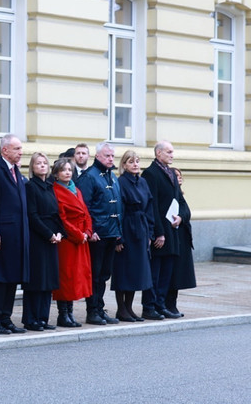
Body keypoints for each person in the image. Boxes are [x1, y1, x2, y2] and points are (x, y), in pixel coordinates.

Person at [0, 134, 29, 334]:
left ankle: (6, 317)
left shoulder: (16, 170)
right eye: (17, 149)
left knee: (12, 277)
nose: (21, 152)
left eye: (20, 149)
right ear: (5, 150)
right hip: (2, 233)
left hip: (17, 234)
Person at [76, 142, 121, 326]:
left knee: (104, 274)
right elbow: (84, 206)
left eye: (112, 156)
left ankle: (100, 308)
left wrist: (119, 231)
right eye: (107, 156)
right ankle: (92, 310)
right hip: (98, 234)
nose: (110, 159)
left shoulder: (113, 177)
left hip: (111, 232)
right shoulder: (89, 177)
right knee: (94, 274)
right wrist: (91, 230)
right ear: (98, 156)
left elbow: (118, 204)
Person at [141, 140, 183, 320]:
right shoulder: (151, 173)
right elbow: (153, 204)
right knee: (155, 272)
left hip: (172, 228)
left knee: (166, 271)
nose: (172, 155)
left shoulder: (171, 173)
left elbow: (178, 199)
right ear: (158, 153)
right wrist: (158, 232)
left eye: (172, 152)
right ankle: (149, 306)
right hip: (160, 231)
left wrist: (180, 217)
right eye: (168, 152)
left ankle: (161, 304)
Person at [112, 150, 155, 322]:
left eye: (137, 161)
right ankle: (121, 308)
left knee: (137, 271)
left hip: (141, 227)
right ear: (124, 165)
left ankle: (129, 307)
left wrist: (150, 232)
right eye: (131, 162)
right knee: (124, 270)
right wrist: (118, 237)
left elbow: (149, 207)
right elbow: (117, 210)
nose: (135, 164)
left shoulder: (143, 182)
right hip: (127, 228)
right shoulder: (120, 182)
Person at [23, 152, 63, 331]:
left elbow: (56, 212)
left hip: (52, 237)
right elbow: (32, 215)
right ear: (32, 167)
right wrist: (48, 234)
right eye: (38, 163)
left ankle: (43, 317)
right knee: (37, 280)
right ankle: (31, 318)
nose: (42, 166)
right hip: (38, 238)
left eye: (44, 163)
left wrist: (60, 233)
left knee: (49, 279)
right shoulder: (31, 186)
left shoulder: (49, 186)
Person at [51, 158, 92, 328]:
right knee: (66, 277)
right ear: (56, 174)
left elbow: (85, 212)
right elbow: (61, 218)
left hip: (81, 238)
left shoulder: (77, 190)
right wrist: (78, 234)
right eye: (63, 170)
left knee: (77, 277)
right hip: (68, 240)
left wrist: (88, 232)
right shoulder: (56, 190)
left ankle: (70, 312)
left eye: (69, 169)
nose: (67, 172)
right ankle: (63, 314)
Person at [168, 167, 197, 316]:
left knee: (179, 274)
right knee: (172, 274)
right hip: (172, 236)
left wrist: (181, 217)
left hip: (182, 237)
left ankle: (173, 304)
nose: (179, 179)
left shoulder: (179, 194)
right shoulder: (171, 193)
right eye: (176, 176)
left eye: (181, 176)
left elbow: (186, 212)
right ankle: (168, 304)